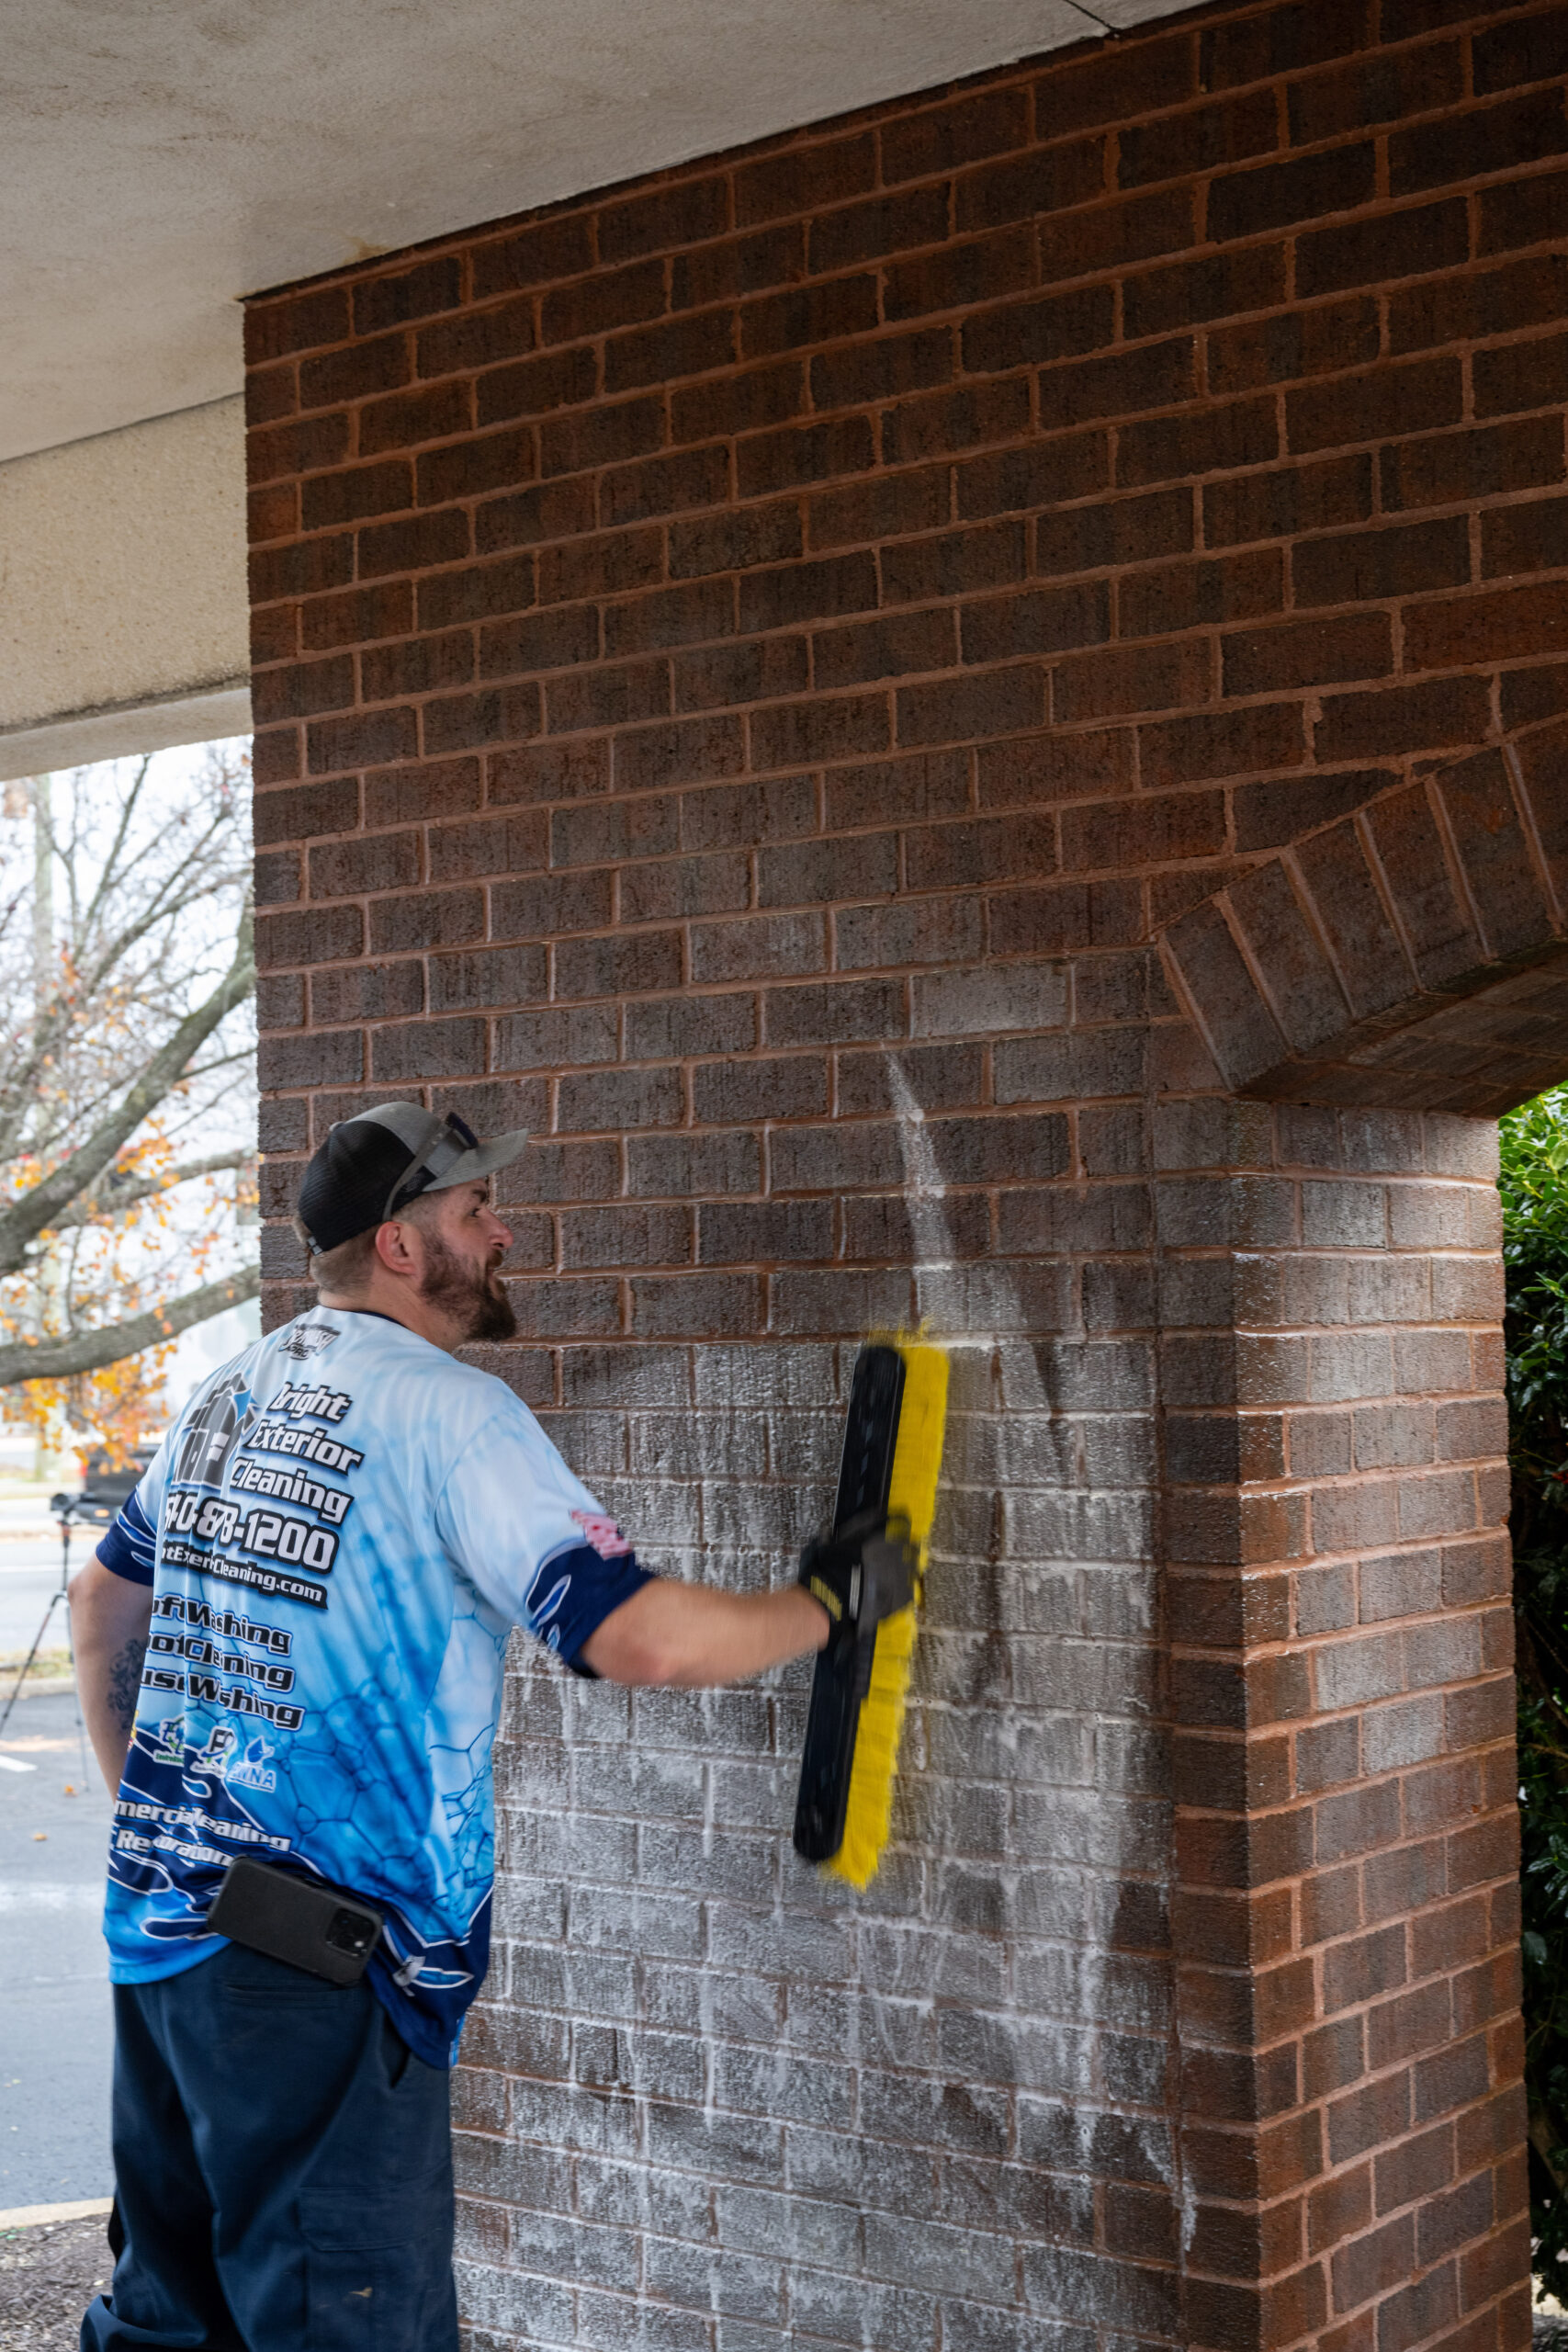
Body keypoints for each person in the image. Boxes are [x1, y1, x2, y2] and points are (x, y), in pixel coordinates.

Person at [70, 1101, 910, 2352]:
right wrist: (827, 1606)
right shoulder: (451, 1416)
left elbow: (101, 1601)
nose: (503, 1230)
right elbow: (634, 1635)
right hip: (320, 1985)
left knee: (168, 2323)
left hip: (165, 1946)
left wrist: (159, 1818)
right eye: (473, 1210)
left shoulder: (224, 1399)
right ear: (401, 1246)